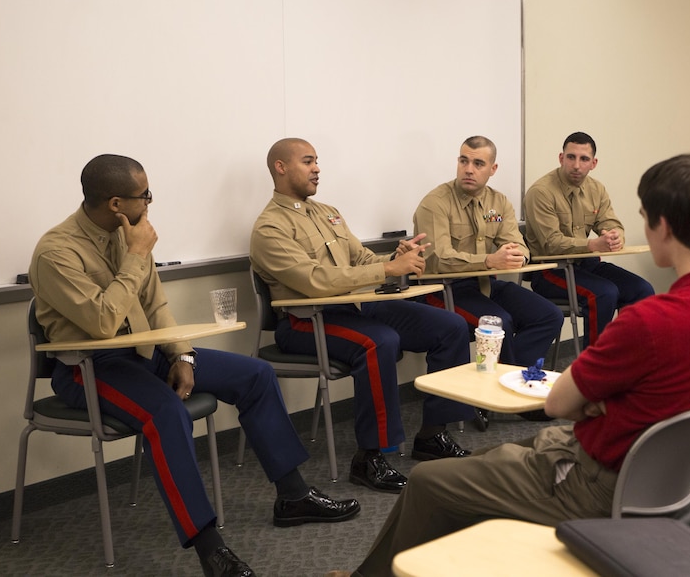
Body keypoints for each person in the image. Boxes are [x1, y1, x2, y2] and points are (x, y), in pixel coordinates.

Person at [349, 153, 690, 577]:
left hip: (594, 479)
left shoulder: (652, 321)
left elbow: (560, 402)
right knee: (496, 457)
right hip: (667, 482)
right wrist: (605, 402)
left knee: (429, 481)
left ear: (665, 226)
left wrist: (596, 402)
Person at [29, 154, 360, 577]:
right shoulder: (56, 251)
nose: (149, 202)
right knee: (166, 412)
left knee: (255, 375)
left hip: (142, 355)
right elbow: (103, 321)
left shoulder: (127, 235)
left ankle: (293, 495)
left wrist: (182, 355)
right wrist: (135, 256)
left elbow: (155, 305)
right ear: (115, 203)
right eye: (143, 195)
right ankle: (209, 548)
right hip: (87, 367)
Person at [249, 138, 474, 497]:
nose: (317, 168)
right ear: (280, 167)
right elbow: (315, 281)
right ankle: (371, 457)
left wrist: (396, 257)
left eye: (317, 161)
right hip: (307, 320)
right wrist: (386, 268)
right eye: (308, 162)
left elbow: (362, 261)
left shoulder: (328, 213)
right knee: (378, 342)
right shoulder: (269, 228)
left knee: (450, 325)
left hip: (353, 306)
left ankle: (433, 434)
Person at [412, 135, 563, 368]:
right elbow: (437, 259)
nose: (468, 170)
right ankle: (501, 398)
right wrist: (490, 260)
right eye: (464, 161)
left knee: (549, 315)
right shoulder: (435, 203)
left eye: (478, 164)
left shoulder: (498, 201)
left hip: (484, 286)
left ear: (493, 169)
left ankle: (514, 377)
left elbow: (518, 243)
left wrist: (518, 256)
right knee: (500, 323)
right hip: (444, 289)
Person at [523, 132, 654, 346]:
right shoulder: (541, 192)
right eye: (571, 157)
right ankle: (594, 368)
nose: (576, 165)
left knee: (642, 289)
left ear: (593, 163)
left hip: (585, 265)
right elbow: (551, 243)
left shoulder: (596, 189)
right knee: (604, 293)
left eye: (584, 159)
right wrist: (592, 244)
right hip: (550, 269)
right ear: (560, 158)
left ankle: (627, 359)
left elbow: (611, 223)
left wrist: (614, 236)